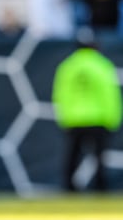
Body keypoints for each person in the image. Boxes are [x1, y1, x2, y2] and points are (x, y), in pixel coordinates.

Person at [52, 27, 122, 192]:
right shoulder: (102, 65)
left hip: (74, 118)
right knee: (99, 156)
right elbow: (110, 94)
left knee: (72, 155)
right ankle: (100, 187)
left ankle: (69, 187)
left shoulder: (67, 66)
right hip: (98, 118)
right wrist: (113, 118)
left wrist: (64, 117)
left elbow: (60, 94)